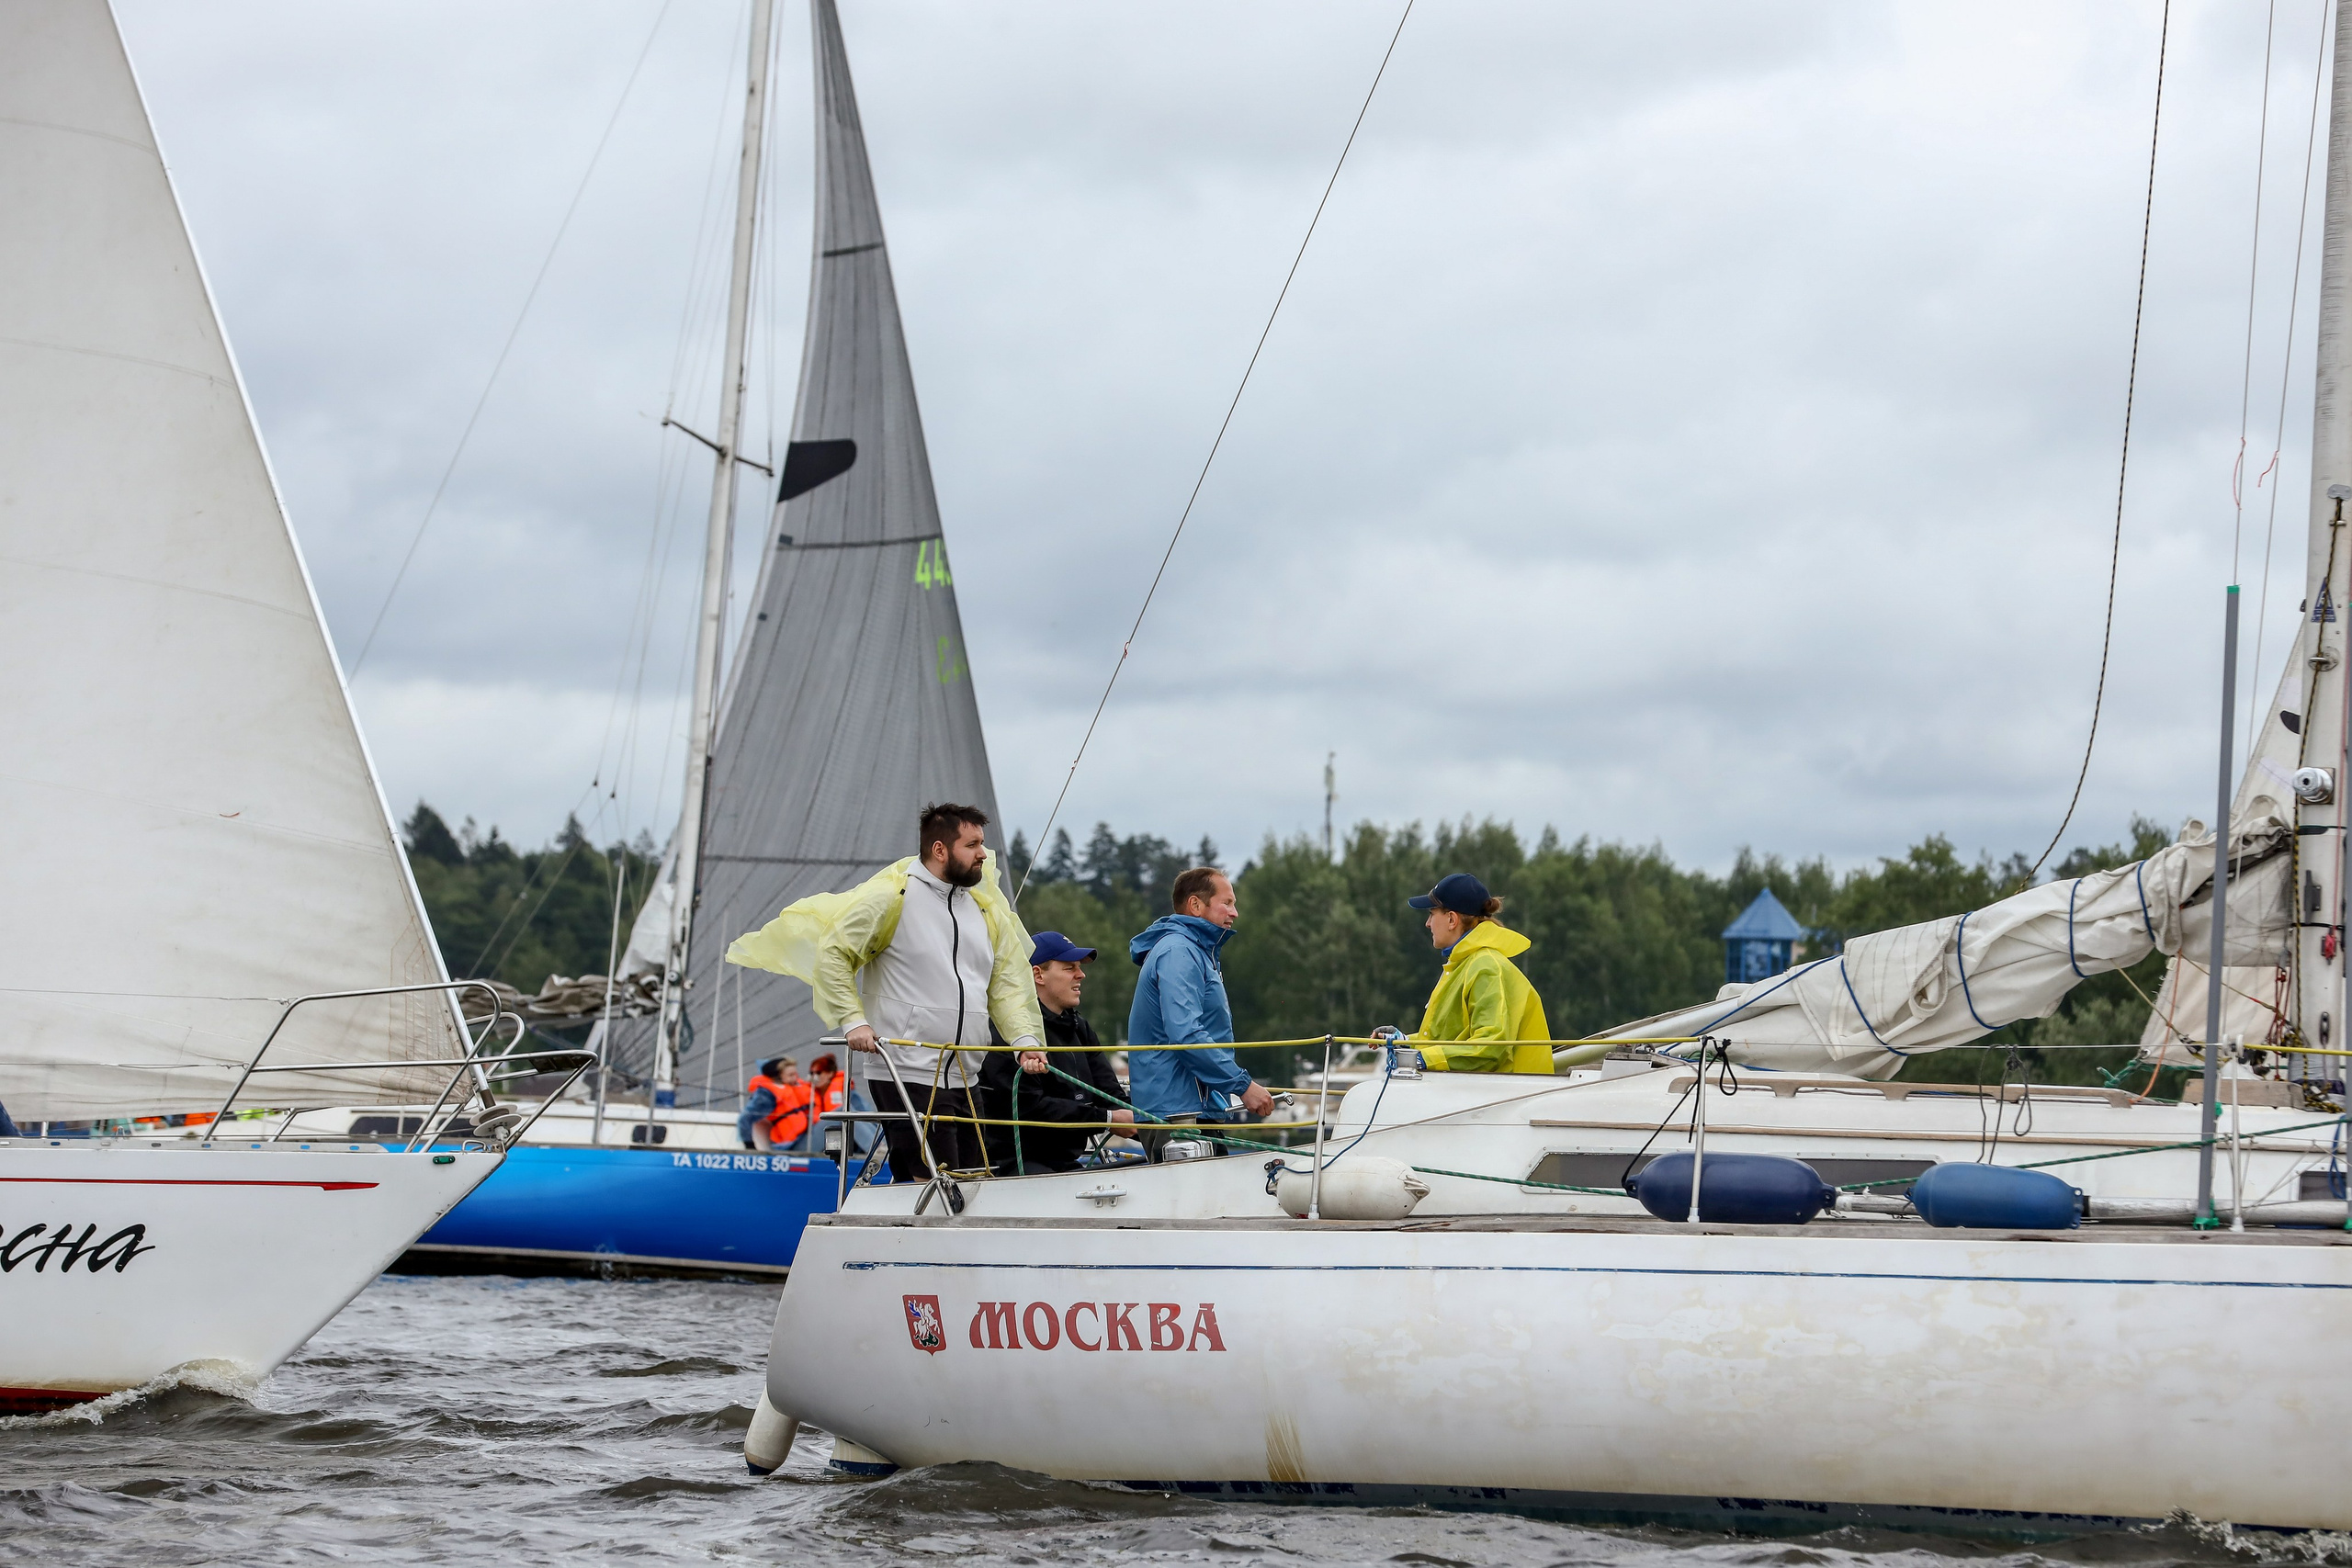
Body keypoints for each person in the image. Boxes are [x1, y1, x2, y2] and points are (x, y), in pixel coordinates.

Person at [726, 803, 1042, 1189]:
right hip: (906, 1065)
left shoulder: (985, 910)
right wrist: (853, 1021)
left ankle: (898, 1238)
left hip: (966, 1073)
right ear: (940, 849)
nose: (983, 855)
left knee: (970, 1181)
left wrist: (1025, 1040)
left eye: (983, 844)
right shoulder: (890, 897)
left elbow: (1007, 983)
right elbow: (834, 954)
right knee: (937, 1181)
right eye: (973, 844)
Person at [1126, 867, 1274, 1158]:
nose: (1235, 913)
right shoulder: (1179, 952)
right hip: (1177, 1112)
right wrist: (1242, 1085)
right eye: (1227, 903)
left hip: (1192, 1106)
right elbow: (1185, 1034)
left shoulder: (1193, 951)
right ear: (1196, 905)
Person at [978, 931, 1135, 1174]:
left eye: (1079, 967)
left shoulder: (1078, 1027)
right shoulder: (1006, 1034)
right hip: (1014, 1167)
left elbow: (1110, 1093)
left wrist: (1152, 1123)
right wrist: (1108, 1119)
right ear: (1038, 974)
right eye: (1069, 968)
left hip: (1065, 1164)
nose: (1081, 974)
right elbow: (1032, 1108)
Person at [1381, 873, 1553, 1074]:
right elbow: (1447, 1039)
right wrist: (1405, 1042)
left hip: (1508, 1099)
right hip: (1487, 1095)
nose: (1428, 923)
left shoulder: (1485, 967)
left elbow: (1489, 1048)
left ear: (1452, 919)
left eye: (1432, 914)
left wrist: (1420, 1059)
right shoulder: (1466, 964)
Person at [738, 1056, 815, 1150]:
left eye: (795, 1074)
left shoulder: (792, 1087)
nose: (795, 1078)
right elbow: (745, 1118)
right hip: (787, 1144)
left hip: (803, 1136)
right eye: (790, 1075)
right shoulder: (767, 1094)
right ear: (779, 1076)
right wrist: (749, 1145)